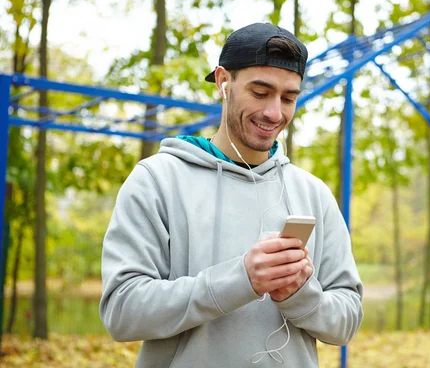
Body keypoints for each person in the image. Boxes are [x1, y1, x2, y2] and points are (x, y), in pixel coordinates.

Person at [100, 22, 363, 367]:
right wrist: (241, 280)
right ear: (224, 82)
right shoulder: (156, 180)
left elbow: (346, 321)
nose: (274, 113)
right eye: (260, 92)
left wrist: (302, 296)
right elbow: (122, 311)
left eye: (288, 98)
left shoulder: (313, 193)